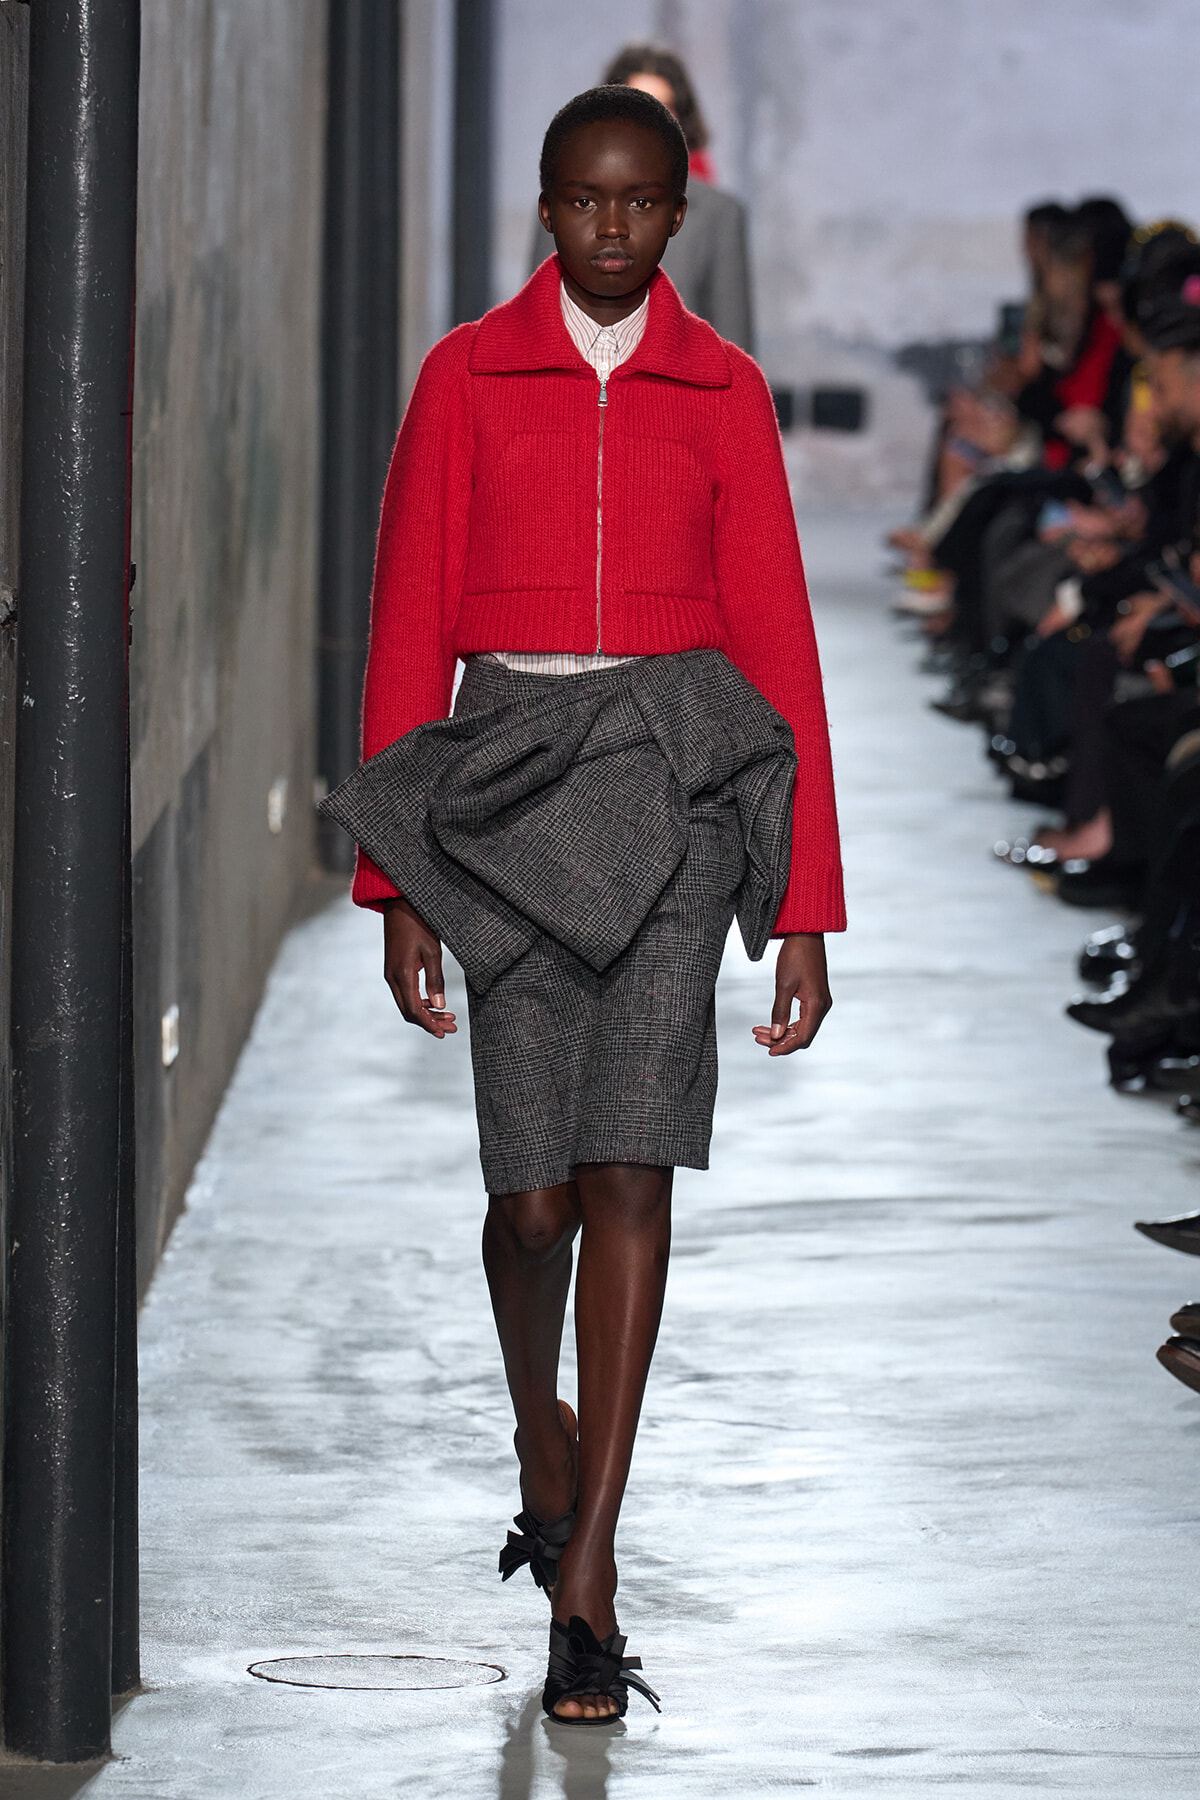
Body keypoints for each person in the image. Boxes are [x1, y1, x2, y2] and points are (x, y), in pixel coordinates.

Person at [321, 85, 843, 1723]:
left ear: (677, 213)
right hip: (505, 798)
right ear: (545, 210)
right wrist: (395, 875)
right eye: (583, 200)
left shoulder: (723, 390)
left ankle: (590, 1577)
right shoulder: (464, 377)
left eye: (638, 202)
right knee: (533, 1199)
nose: (611, 227)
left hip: (676, 788)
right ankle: (539, 1442)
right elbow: (408, 616)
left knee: (631, 1169)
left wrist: (804, 901)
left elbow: (777, 639)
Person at [529, 44, 756, 353]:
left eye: (663, 108)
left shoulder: (720, 214)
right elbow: (535, 326)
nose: (648, 122)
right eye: (636, 107)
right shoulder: (564, 203)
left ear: (681, 120)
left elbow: (734, 346)